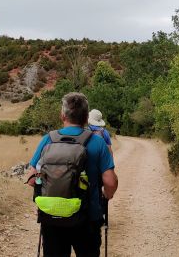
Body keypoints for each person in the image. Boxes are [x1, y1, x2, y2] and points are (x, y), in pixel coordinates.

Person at [27, 92, 118, 257]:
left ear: (62, 115)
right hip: (88, 217)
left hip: (52, 216)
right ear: (85, 118)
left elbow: (32, 179)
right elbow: (110, 182)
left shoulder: (48, 139)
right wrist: (106, 196)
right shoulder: (97, 142)